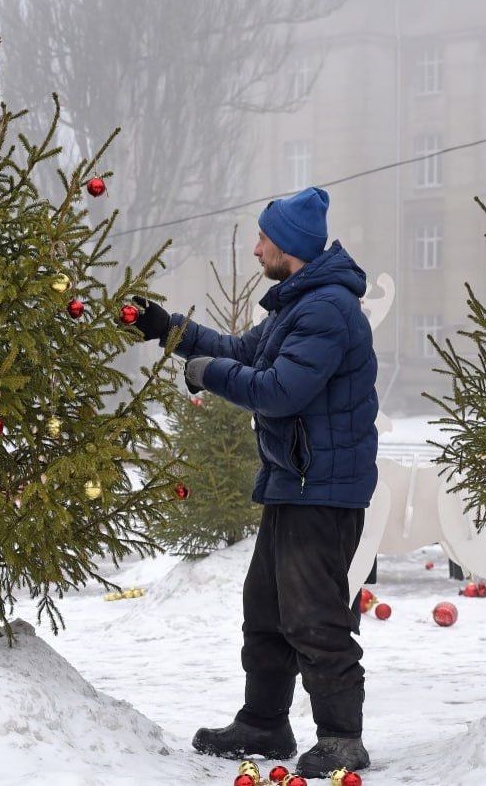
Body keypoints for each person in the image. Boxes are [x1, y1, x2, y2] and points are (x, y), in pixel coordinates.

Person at [130, 186, 378, 778]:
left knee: (314, 615)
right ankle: (264, 724)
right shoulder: (298, 304)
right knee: (265, 609)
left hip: (322, 488)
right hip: (293, 483)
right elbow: (243, 350)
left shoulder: (325, 310)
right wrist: (172, 331)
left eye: (263, 236)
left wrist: (204, 373)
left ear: (288, 245)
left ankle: (343, 737)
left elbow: (278, 390)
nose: (256, 246)